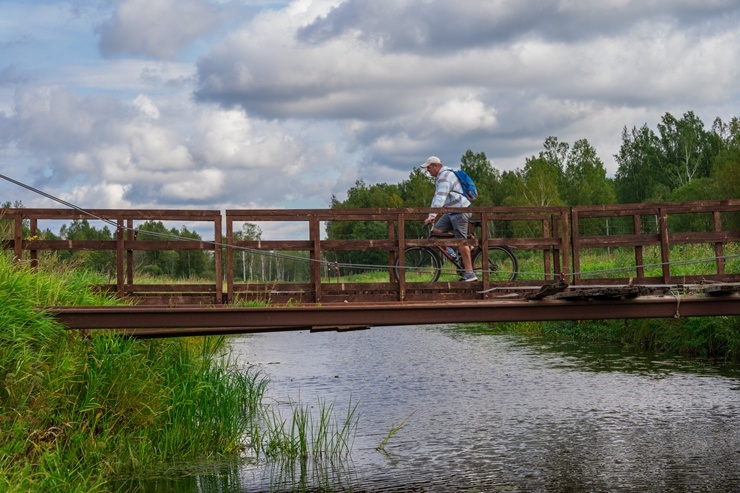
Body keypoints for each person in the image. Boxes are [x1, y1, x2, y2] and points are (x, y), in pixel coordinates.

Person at [420, 156, 478, 282]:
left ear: (436, 166)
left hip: (460, 210)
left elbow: (440, 197)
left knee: (461, 242)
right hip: (452, 210)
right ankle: (465, 249)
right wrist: (433, 215)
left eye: (428, 168)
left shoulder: (445, 177)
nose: (427, 171)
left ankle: (470, 273)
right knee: (436, 232)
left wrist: (432, 216)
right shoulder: (442, 177)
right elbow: (437, 198)